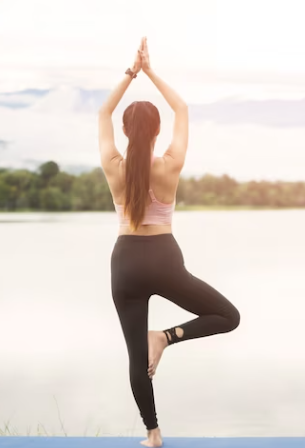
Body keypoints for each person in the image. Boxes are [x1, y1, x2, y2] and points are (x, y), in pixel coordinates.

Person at [98, 37, 241, 447]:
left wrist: (131, 72)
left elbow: (103, 111)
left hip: (125, 263)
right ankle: (166, 336)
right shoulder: (171, 165)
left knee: (133, 356)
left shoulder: (113, 167)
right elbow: (182, 108)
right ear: (158, 130)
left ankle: (153, 434)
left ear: (124, 131)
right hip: (163, 258)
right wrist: (151, 71)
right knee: (227, 316)